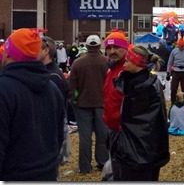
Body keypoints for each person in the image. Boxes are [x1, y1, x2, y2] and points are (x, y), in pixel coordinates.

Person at [0, 28, 65, 180]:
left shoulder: (3, 90)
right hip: (46, 174)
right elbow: (59, 136)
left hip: (12, 176)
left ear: (8, 54)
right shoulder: (52, 88)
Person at [110, 45, 169, 181]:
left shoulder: (141, 88)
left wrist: (119, 143)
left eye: (127, 61)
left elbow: (138, 124)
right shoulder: (142, 83)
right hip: (144, 152)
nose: (124, 64)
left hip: (136, 153)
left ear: (136, 63)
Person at [68, 34, 109, 174]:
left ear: (86, 46)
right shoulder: (106, 62)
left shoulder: (78, 63)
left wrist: (73, 100)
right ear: (98, 46)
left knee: (85, 138)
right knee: (102, 136)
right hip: (102, 104)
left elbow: (71, 86)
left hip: (82, 105)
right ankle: (102, 163)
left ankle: (85, 167)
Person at [39, 35, 71, 166]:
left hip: (50, 131)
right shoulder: (49, 73)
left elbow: (55, 109)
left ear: (46, 51)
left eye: (35, 48)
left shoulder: (52, 76)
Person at [103, 30, 129, 138]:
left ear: (125, 48)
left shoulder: (128, 70)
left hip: (124, 129)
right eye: (109, 48)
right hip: (112, 127)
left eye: (116, 47)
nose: (112, 51)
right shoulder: (111, 69)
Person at [166, 38, 184, 105]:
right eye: (180, 46)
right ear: (178, 45)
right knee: (173, 88)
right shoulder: (174, 51)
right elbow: (170, 62)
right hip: (176, 71)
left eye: (182, 47)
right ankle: (173, 103)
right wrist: (168, 72)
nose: (181, 48)